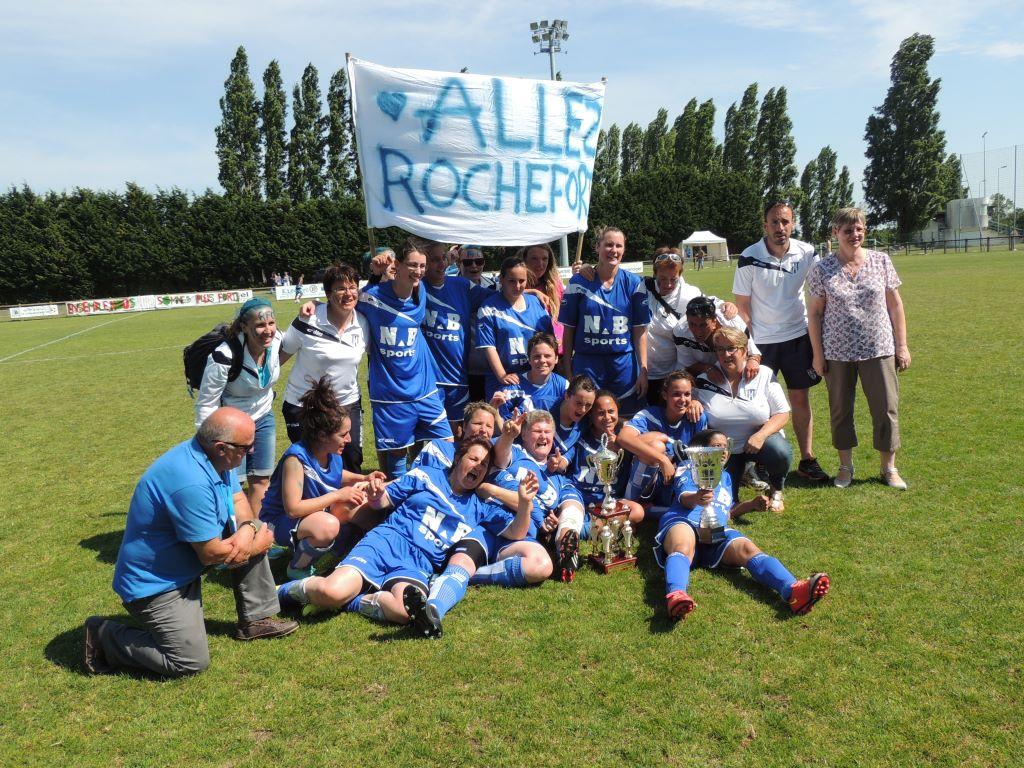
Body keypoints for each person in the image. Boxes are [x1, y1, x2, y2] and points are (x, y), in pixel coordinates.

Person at [83, 408, 298, 677]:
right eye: (247, 447)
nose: (252, 451)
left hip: (185, 564)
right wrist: (256, 544)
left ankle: (256, 620)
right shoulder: (191, 482)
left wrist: (247, 528)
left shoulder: (216, 459)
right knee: (188, 661)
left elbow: (238, 500)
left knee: (252, 535)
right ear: (221, 447)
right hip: (156, 586)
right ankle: (104, 636)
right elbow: (210, 554)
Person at [278, 438, 533, 638]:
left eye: (485, 464)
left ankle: (353, 601)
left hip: (418, 564)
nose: (478, 466)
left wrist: (524, 503)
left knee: (404, 611)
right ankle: (280, 593)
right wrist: (376, 492)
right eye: (474, 458)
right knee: (331, 591)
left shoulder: (481, 506)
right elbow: (382, 502)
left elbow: (517, 532)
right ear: (458, 458)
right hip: (385, 543)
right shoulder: (426, 475)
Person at [655, 428, 830, 622]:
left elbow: (728, 511)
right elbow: (684, 499)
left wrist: (751, 505)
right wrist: (697, 497)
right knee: (683, 544)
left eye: (725, 447)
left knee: (748, 548)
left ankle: (794, 591)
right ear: (702, 450)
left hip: (716, 531)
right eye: (716, 446)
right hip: (685, 520)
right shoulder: (689, 466)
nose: (722, 451)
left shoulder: (727, 477)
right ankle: (677, 595)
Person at [806, 207, 911, 490]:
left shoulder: (881, 261)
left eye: (859, 229)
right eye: (848, 229)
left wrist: (902, 345)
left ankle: (888, 468)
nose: (855, 234)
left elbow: (895, 305)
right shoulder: (822, 269)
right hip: (837, 352)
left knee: (886, 409)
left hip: (879, 348)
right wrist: (818, 355)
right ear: (835, 233)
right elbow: (814, 314)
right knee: (840, 411)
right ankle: (845, 466)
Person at [733, 201, 830, 484]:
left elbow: (821, 292)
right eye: (774, 222)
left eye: (785, 222)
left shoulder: (807, 252)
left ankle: (807, 459)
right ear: (765, 225)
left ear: (793, 224)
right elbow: (742, 307)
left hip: (798, 337)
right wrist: (751, 349)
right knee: (761, 405)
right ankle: (762, 461)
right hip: (762, 343)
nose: (780, 228)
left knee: (800, 398)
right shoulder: (749, 257)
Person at [259, 377, 386, 580]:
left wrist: (363, 477)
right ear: (322, 435)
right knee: (327, 525)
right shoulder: (296, 459)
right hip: (277, 522)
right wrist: (337, 495)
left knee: (358, 503)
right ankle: (297, 568)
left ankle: (340, 553)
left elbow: (336, 475)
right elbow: (293, 509)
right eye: (343, 434)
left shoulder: (331, 452)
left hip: (308, 514)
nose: (349, 439)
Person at [359, 238, 453, 479]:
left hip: (425, 390)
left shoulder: (421, 293)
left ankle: (433, 490)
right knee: (397, 459)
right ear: (398, 265)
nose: (418, 271)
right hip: (392, 395)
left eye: (422, 266)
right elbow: (341, 303)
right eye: (412, 265)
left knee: (447, 445)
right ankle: (397, 506)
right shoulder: (371, 297)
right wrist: (313, 305)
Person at [194, 297, 284, 516]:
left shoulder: (278, 341)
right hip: (231, 427)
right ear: (244, 326)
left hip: (263, 418)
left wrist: (314, 307)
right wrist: (212, 441)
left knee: (261, 479)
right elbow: (206, 402)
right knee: (234, 483)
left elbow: (303, 331)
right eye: (260, 325)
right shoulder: (224, 355)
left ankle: (258, 535)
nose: (268, 330)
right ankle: (235, 535)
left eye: (271, 323)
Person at [693, 327, 792, 512]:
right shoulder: (704, 380)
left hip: (760, 443)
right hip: (725, 451)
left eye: (732, 348)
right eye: (720, 349)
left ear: (745, 350)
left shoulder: (763, 374)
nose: (726, 354)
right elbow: (686, 402)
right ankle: (744, 476)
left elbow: (782, 413)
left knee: (779, 451)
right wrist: (692, 402)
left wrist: (761, 436)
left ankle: (777, 488)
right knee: (725, 502)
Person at [558, 226, 651, 418]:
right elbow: (568, 331)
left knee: (625, 421)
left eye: (619, 245)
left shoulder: (634, 283)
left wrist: (643, 370)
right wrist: (568, 369)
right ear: (597, 247)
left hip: (623, 366)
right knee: (587, 420)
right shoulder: (578, 283)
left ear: (624, 249)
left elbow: (640, 331)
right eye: (608, 245)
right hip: (587, 364)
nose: (614, 250)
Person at [283, 263, 367, 473]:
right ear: (328, 293)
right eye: (340, 288)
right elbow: (279, 357)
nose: (348, 293)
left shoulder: (364, 322)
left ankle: (349, 505)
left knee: (352, 460)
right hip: (305, 406)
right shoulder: (307, 319)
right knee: (313, 466)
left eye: (352, 287)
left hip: (347, 404)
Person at [493, 409, 588, 582]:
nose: (543, 436)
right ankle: (562, 544)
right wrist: (508, 436)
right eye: (537, 431)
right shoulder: (515, 452)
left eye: (547, 432)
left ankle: (564, 546)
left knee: (572, 501)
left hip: (545, 525)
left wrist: (554, 522)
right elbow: (499, 456)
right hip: (514, 523)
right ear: (524, 435)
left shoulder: (558, 475)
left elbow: (572, 502)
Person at [421, 239, 489, 434]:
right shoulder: (416, 288)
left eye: (443, 258)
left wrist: (530, 291)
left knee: (457, 432)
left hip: (457, 377)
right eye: (434, 260)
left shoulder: (462, 285)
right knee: (422, 433)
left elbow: (498, 298)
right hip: (427, 378)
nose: (441, 264)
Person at [617, 371, 707, 515]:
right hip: (648, 481)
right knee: (657, 445)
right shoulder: (649, 415)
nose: (682, 399)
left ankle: (653, 510)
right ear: (665, 395)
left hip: (677, 480)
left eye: (687, 394)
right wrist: (662, 459)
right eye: (676, 394)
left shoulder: (697, 417)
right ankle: (632, 503)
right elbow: (623, 438)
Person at [476, 255, 554, 400]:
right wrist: (502, 375)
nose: (517, 286)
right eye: (512, 281)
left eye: (521, 281)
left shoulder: (537, 304)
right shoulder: (489, 308)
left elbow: (548, 341)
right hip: (503, 380)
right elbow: (489, 347)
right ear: (502, 280)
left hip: (534, 378)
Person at [565, 390, 645, 527]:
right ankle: (592, 526)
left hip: (610, 500)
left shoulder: (625, 439)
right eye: (601, 413)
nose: (607, 417)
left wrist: (621, 445)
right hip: (579, 497)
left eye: (611, 411)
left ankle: (586, 528)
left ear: (618, 412)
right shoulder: (580, 437)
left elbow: (653, 440)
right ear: (591, 415)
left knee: (637, 511)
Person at [673, 295, 760, 379]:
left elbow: (753, 353)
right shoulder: (680, 331)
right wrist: (706, 368)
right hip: (702, 375)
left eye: (703, 325)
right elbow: (686, 367)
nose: (698, 331)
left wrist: (753, 361)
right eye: (692, 324)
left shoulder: (734, 324)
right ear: (687, 320)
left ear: (714, 321)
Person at [490, 332, 569, 422]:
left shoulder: (564, 386)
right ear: (529, 359)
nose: (542, 360)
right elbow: (498, 427)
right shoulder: (512, 387)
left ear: (556, 359)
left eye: (547, 356)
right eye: (537, 356)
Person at [521, 243, 566, 351]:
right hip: (531, 352)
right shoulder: (518, 284)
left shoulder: (555, 285)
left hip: (558, 352)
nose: (540, 264)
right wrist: (533, 292)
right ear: (524, 261)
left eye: (544, 258)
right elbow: (505, 292)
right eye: (534, 259)